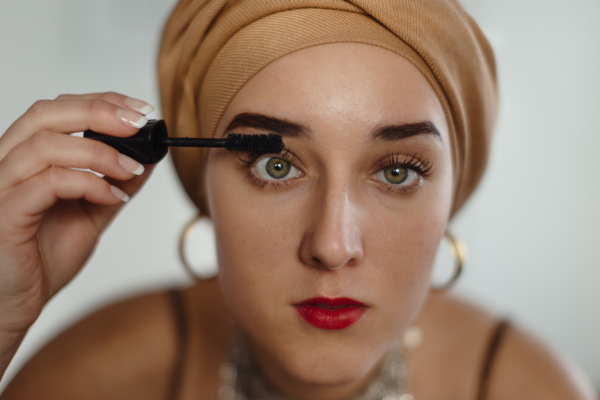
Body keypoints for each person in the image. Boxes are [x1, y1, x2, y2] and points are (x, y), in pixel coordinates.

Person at [0, 0, 596, 399]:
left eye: (396, 172)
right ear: (201, 185)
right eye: (275, 164)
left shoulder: (529, 386)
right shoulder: (100, 376)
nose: (332, 246)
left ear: (451, 196)